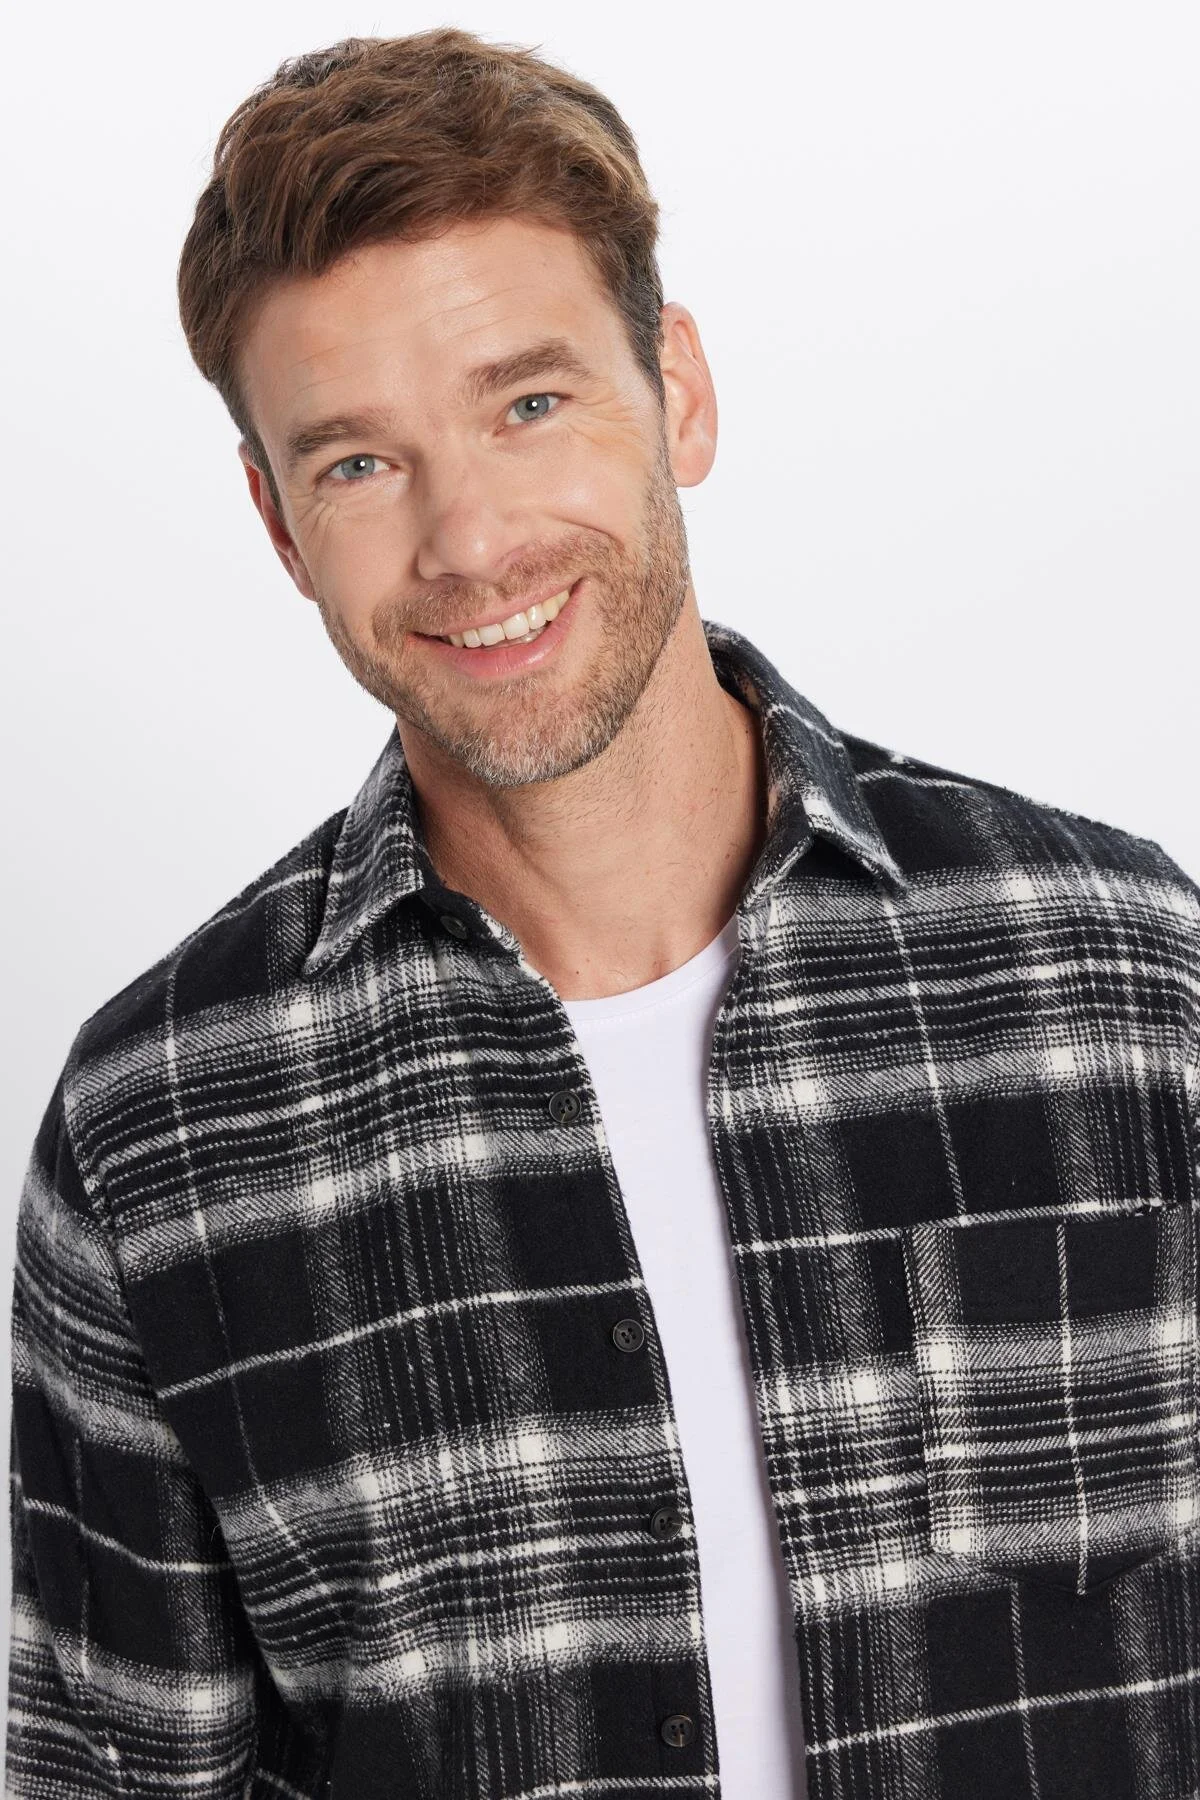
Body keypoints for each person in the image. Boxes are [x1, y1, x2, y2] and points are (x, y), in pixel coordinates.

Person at [6, 26, 1199, 1800]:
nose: (470, 541)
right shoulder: (157, 1135)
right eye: (357, 463)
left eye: (529, 404)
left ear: (678, 392)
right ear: (275, 522)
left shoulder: (1117, 976)